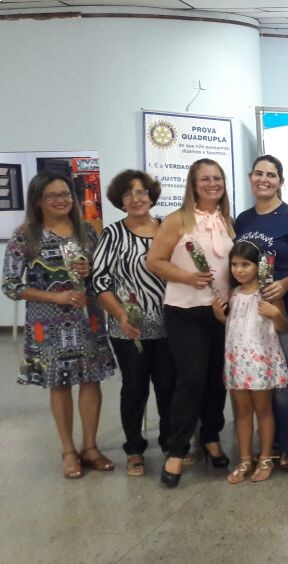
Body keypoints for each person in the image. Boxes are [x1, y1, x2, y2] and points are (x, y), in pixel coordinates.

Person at [2, 171, 117, 479]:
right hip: (49, 323)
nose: (61, 200)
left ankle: (90, 447)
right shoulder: (25, 236)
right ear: (38, 201)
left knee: (91, 380)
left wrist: (90, 269)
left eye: (65, 194)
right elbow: (11, 285)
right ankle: (68, 451)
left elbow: (103, 272)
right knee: (60, 383)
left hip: (89, 319)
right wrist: (55, 296)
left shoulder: (87, 231)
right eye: (52, 196)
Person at [147, 158, 234, 488]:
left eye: (217, 178)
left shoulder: (226, 220)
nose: (212, 184)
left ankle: (211, 436)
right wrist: (188, 277)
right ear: (193, 185)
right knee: (191, 378)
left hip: (220, 311)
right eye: (205, 179)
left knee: (216, 380)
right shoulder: (177, 220)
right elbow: (154, 261)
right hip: (185, 311)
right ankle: (177, 448)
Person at [91, 169, 174, 476]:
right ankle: (135, 449)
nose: (136, 199)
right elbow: (100, 281)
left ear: (151, 196)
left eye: (141, 192)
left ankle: (170, 444)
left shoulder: (167, 228)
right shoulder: (112, 234)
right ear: (120, 201)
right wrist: (121, 315)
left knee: (168, 386)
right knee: (135, 388)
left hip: (169, 325)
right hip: (129, 327)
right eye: (128, 194)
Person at [234, 155, 288, 471]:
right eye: (259, 173)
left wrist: (285, 283)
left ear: (280, 181)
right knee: (257, 381)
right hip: (249, 315)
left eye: (271, 175)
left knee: (281, 380)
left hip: (286, 312)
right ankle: (267, 443)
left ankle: (287, 444)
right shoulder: (242, 220)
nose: (264, 179)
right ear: (250, 177)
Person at [213, 241, 288, 484]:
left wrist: (275, 314)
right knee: (242, 411)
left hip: (260, 362)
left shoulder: (268, 294)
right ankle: (245, 459)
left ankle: (265, 458)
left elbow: (283, 327)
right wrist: (220, 317)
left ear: (259, 266)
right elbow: (236, 326)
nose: (239, 270)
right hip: (237, 361)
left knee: (263, 410)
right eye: (234, 264)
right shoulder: (233, 294)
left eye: (245, 264)